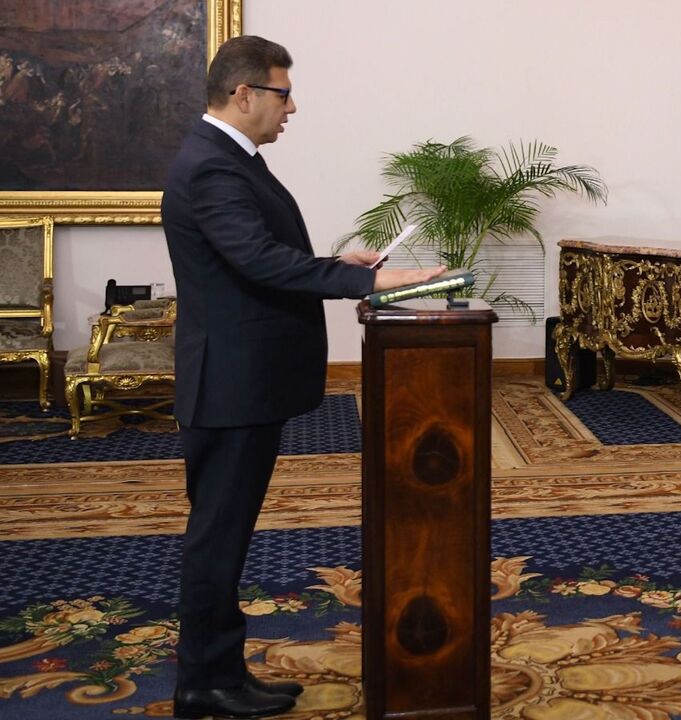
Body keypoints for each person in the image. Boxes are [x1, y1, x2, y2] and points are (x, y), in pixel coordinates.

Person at [161, 35, 445, 719]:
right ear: (244, 94)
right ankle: (204, 685)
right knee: (217, 539)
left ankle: (222, 672)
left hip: (242, 381)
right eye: (284, 94)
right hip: (230, 386)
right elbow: (258, 262)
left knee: (224, 535)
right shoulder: (212, 166)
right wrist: (363, 279)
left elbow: (256, 257)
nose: (293, 107)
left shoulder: (229, 160)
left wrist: (336, 259)